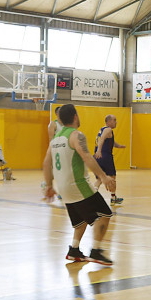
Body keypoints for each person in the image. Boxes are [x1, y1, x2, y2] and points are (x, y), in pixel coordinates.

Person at [42, 103, 115, 265]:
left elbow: (46, 163)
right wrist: (103, 177)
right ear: (75, 116)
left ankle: (74, 250)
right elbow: (87, 157)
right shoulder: (76, 135)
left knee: (80, 221)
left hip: (63, 188)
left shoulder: (55, 139)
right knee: (104, 215)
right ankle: (96, 251)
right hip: (78, 184)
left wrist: (49, 186)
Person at [94, 114, 126, 205]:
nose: (116, 122)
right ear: (108, 122)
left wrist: (119, 146)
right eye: (114, 120)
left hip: (97, 157)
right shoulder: (108, 129)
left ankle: (92, 195)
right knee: (112, 177)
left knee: (100, 179)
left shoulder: (102, 129)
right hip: (105, 156)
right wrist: (99, 150)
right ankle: (113, 198)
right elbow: (102, 139)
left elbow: (111, 142)